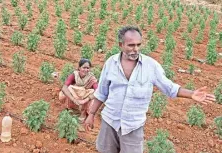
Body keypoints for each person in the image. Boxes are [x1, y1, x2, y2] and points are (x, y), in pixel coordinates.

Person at [84, 26, 216, 153]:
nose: (135, 49)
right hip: (110, 121)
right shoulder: (110, 63)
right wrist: (91, 114)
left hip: (133, 126)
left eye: (138, 45)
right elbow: (101, 93)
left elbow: (170, 88)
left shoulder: (151, 66)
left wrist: (192, 94)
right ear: (121, 45)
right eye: (131, 45)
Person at [59, 58, 98, 123]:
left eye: (88, 68)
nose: (86, 70)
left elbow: (97, 91)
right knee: (67, 90)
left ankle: (83, 113)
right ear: (79, 68)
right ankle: (71, 110)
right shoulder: (74, 75)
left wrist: (85, 100)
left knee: (93, 96)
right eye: (84, 67)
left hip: (85, 97)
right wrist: (73, 99)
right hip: (75, 96)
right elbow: (64, 87)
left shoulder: (91, 78)